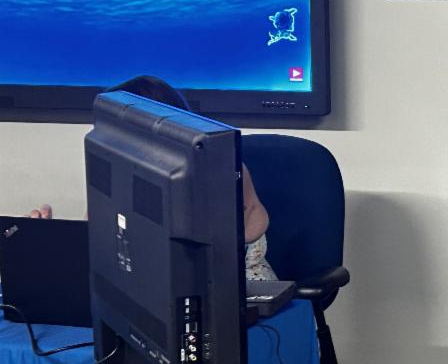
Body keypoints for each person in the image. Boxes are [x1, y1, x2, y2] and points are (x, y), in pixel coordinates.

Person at [28, 75, 278, 281]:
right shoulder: (113, 173)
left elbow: (238, 238)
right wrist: (47, 242)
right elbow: (98, 244)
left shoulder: (219, 170)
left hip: (234, 285)